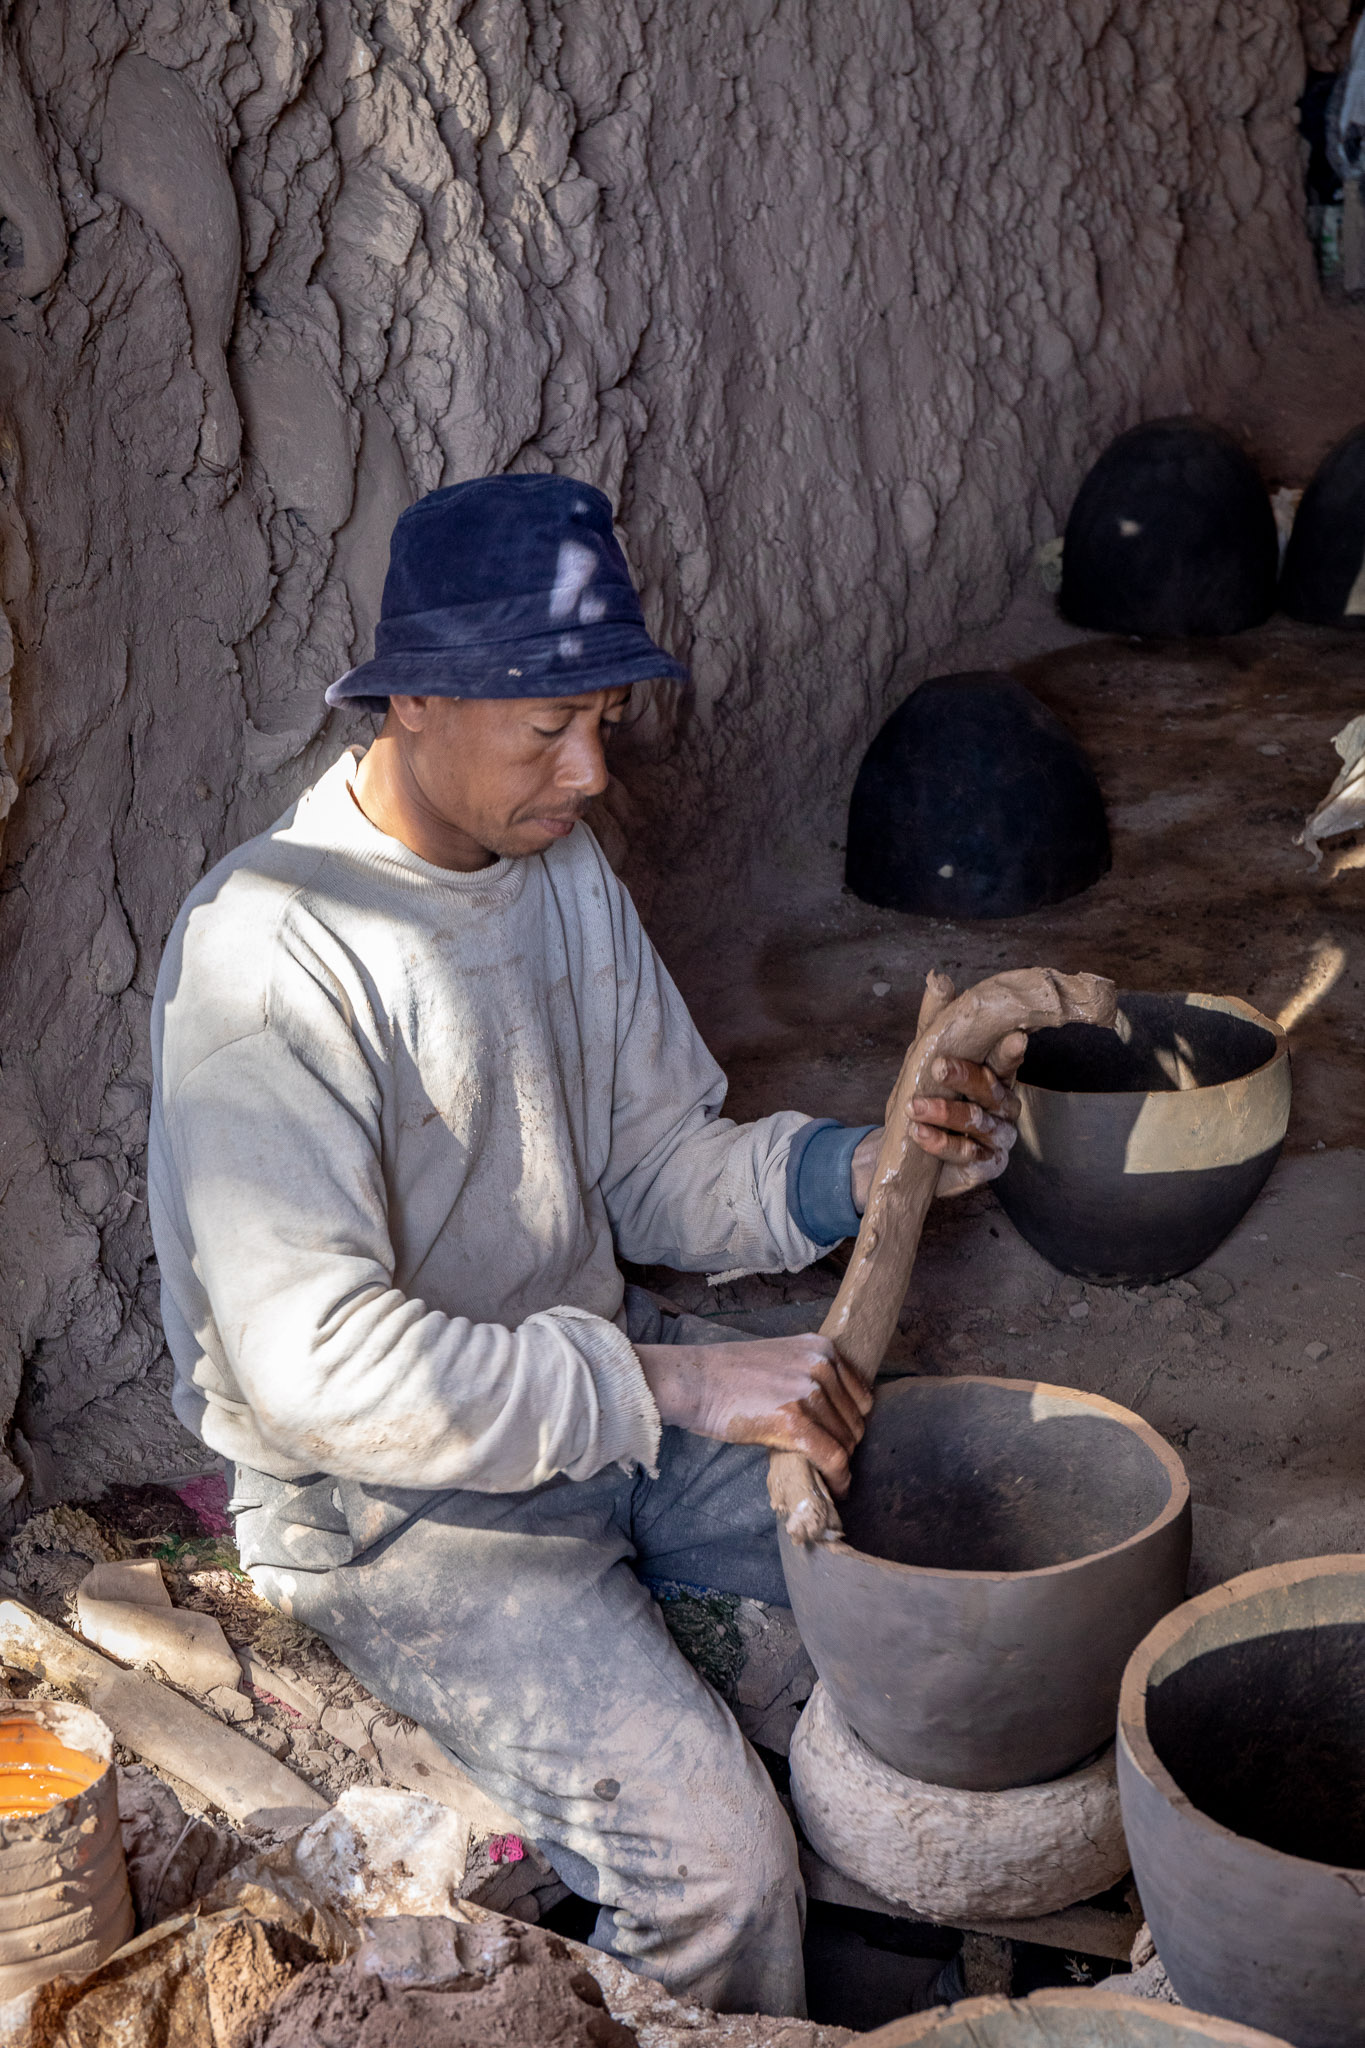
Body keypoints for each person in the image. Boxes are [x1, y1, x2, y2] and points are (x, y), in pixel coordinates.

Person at [148, 475, 1023, 2017]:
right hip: (396, 1512)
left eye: (602, 720)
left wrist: (863, 1169)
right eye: (545, 730)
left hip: (586, 1420)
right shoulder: (272, 954)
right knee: (713, 1867)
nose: (590, 768)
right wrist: (671, 1387)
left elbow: (654, 1165)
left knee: (944, 1602)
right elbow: (315, 1374)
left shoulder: (552, 872)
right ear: (412, 697)